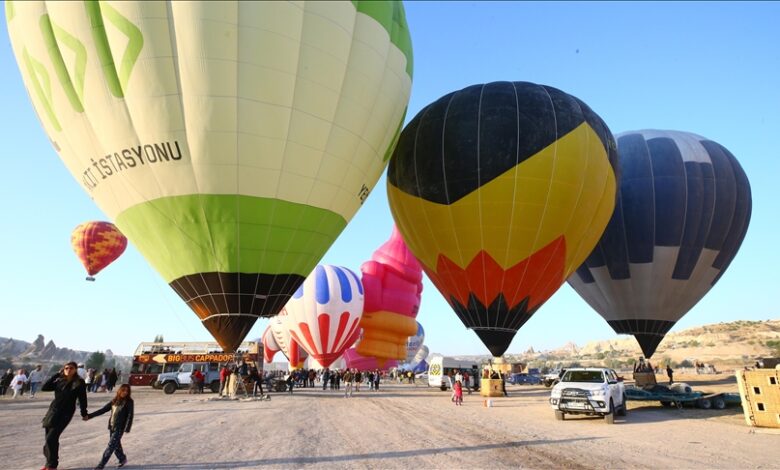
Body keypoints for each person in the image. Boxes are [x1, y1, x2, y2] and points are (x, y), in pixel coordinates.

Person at [41, 361, 88, 470]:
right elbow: (44, 387)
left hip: (66, 412)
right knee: (49, 438)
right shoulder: (60, 380)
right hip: (53, 411)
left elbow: (82, 399)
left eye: (71, 368)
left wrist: (84, 413)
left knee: (51, 438)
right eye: (66, 368)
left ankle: (52, 465)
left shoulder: (79, 382)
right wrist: (57, 374)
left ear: (75, 369)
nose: (68, 370)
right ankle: (49, 463)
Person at [85, 384, 133, 469]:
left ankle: (101, 465)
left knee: (111, 447)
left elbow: (130, 415)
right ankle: (122, 459)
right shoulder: (114, 401)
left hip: (119, 428)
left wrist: (127, 427)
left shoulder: (129, 401)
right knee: (116, 446)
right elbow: (102, 410)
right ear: (119, 391)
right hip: (112, 426)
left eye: (127, 391)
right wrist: (89, 416)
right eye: (123, 390)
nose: (125, 392)